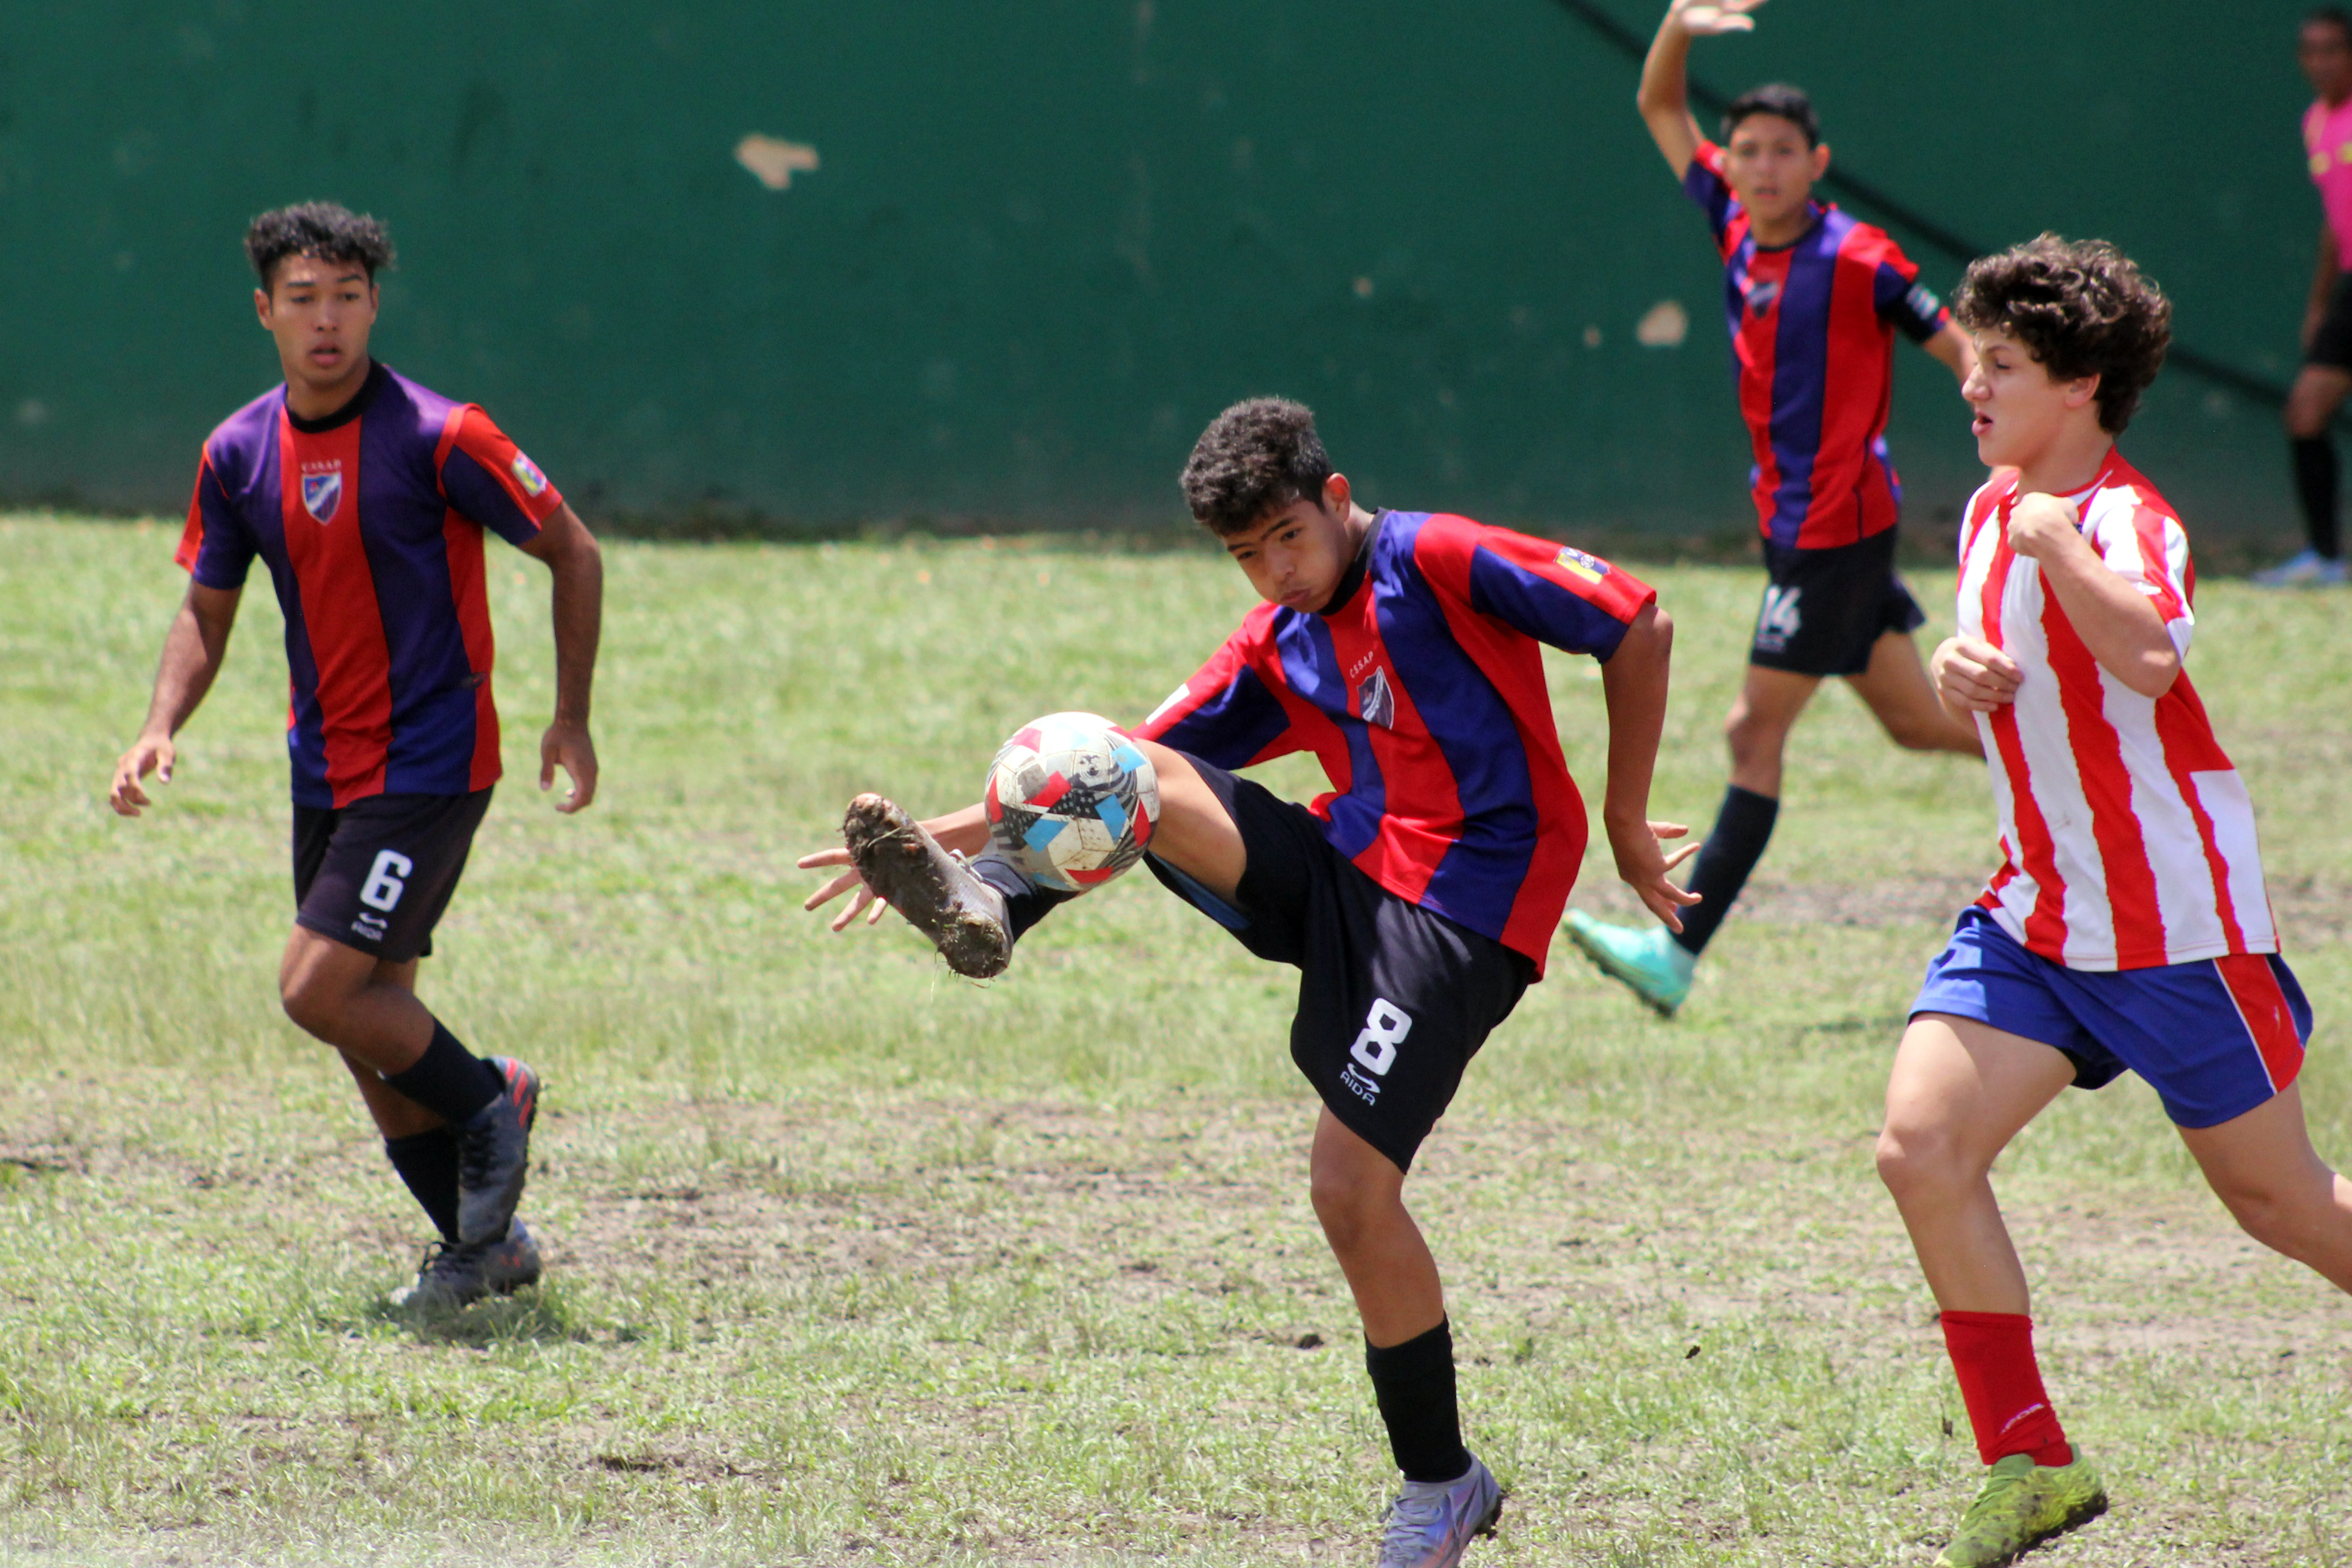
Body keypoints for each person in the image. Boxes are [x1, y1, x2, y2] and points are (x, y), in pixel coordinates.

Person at [799, 398, 1695, 1568]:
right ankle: (990, 907)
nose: (1274, 571)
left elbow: (1638, 622)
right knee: (1130, 772)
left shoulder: (1435, 557)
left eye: (1286, 537)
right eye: (1244, 555)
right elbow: (1100, 773)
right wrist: (938, 834)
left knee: (1347, 1192)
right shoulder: (1284, 640)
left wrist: (1625, 820)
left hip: (1468, 913)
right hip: (1346, 875)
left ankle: (1444, 1486)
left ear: (1334, 498)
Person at [1878, 234, 2352, 1568]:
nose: (1971, 387)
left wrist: (2054, 540)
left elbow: (2145, 653)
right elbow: (2012, 678)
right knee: (1920, 1148)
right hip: (2035, 915)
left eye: (2003, 368)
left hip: (2173, 929)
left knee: (2283, 1207)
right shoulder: (1988, 509)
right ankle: (2031, 1461)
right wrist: (1967, 671)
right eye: (1974, 361)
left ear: (2080, 385)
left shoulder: (2126, 519)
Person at [107, 202, 603, 1312]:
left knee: (314, 989)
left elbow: (572, 549)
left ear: (375, 303)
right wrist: (160, 725)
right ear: (265, 313)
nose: (325, 322)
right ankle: (486, 1249)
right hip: (323, 766)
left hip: (430, 762)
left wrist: (569, 716)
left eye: (345, 297)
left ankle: (492, 1098)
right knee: (364, 1022)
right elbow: (207, 608)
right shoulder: (237, 453)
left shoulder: (443, 434)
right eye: (302, 301)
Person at [1565, 0, 1982, 1017]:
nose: (1758, 166)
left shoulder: (1859, 259)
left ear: (1816, 161)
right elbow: (1660, 100)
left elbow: (1960, 343)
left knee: (1753, 731)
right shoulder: (1732, 218)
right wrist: (1675, 22)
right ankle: (2083, 750)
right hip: (1799, 527)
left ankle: (1675, 952)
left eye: (1780, 152)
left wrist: (2009, 450)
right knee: (1917, 723)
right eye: (1745, 149)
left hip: (1837, 531)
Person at [2261, 5, 2352, 587]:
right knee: (2304, 409)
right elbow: (2331, 220)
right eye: (2310, 51)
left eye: (2333, 49)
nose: (2320, 62)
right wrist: (2318, 303)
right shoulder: (2315, 123)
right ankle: (2323, 557)